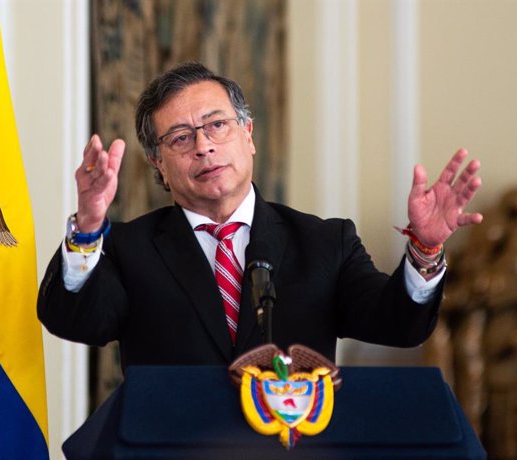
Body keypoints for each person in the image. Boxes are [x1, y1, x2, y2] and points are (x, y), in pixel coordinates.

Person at [37, 62, 482, 369]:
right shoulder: (127, 249)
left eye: (217, 125)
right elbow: (75, 321)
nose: (204, 146)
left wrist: (424, 249)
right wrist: (89, 227)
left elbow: (397, 325)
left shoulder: (326, 243)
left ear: (247, 134)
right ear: (159, 164)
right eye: (180, 137)